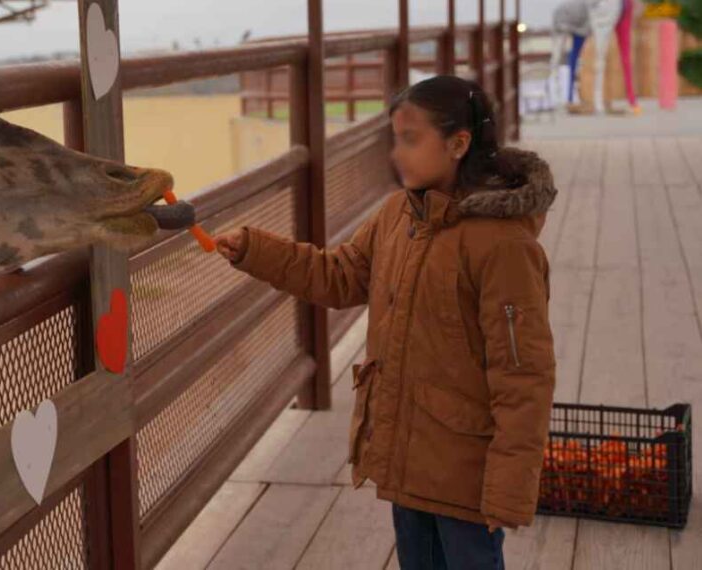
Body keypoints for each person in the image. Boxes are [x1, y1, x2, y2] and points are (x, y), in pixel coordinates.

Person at [214, 75, 558, 570]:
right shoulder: (399, 214)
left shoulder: (503, 246)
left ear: (458, 143)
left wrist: (508, 488)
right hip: (407, 454)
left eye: (411, 139)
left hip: (466, 471)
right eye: (395, 139)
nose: (397, 154)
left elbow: (523, 376)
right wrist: (255, 250)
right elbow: (339, 276)